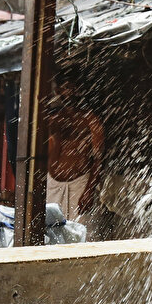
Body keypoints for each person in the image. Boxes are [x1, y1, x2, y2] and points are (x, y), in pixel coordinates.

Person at [45, 79, 105, 227]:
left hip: (79, 185)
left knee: (79, 233)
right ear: (58, 91)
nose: (70, 92)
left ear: (79, 91)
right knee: (51, 233)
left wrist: (89, 191)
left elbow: (98, 158)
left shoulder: (91, 120)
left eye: (73, 87)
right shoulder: (52, 118)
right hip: (52, 184)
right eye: (66, 88)